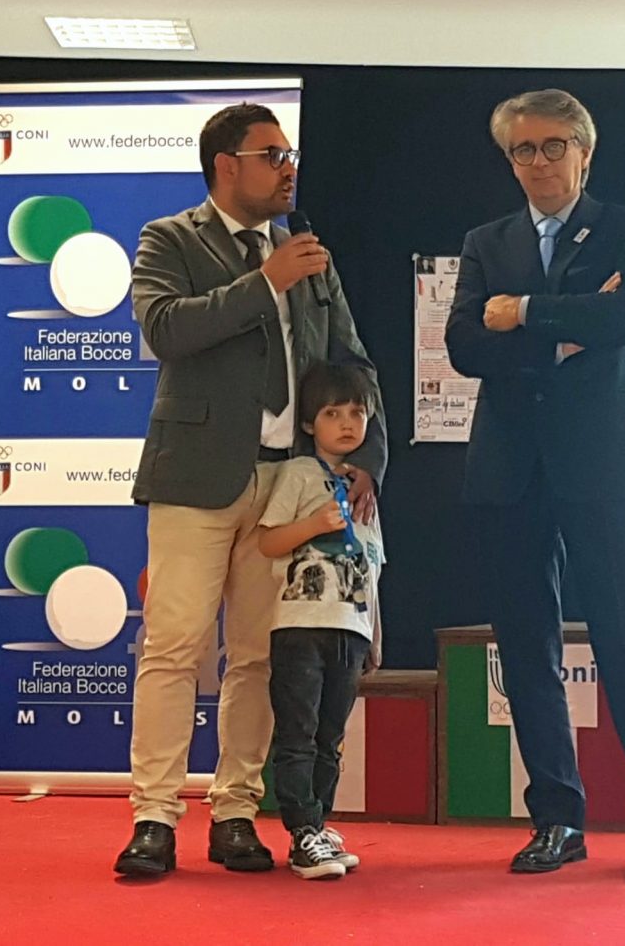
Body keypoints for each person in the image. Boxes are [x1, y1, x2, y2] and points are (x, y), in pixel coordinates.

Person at [114, 103, 387, 877]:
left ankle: (236, 810)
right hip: (194, 476)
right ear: (226, 165)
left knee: (262, 657)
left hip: (288, 485)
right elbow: (166, 329)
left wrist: (367, 456)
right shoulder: (170, 238)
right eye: (273, 155)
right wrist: (265, 282)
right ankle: (153, 816)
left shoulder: (308, 254)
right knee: (174, 648)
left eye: (290, 154)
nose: (288, 167)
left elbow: (352, 362)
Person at [444, 88, 625, 881]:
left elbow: (622, 320)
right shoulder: (486, 241)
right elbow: (463, 346)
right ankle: (556, 818)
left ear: (585, 153)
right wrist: (564, 325)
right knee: (526, 649)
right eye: (524, 149)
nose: (540, 162)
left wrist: (519, 313)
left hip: (608, 464)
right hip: (511, 468)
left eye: (555, 146)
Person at [257, 362, 384, 880]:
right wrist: (313, 524)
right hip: (300, 624)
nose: (347, 423)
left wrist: (375, 633)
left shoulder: (364, 488)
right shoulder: (297, 475)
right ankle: (300, 829)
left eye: (357, 412)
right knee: (299, 732)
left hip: (351, 629)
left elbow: (373, 566)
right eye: (333, 413)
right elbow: (268, 541)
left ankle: (319, 824)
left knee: (331, 735)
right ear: (310, 423)